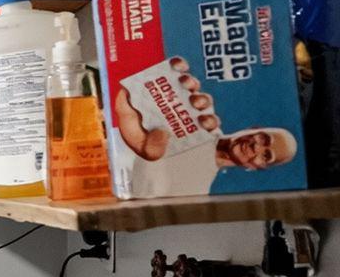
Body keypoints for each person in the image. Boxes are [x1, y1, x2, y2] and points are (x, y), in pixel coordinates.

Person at [110, 56, 299, 196]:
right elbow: (125, 106)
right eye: (263, 138)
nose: (256, 147)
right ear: (253, 129)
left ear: (257, 168)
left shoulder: (196, 191)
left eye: (266, 155)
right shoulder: (198, 113)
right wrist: (142, 89)